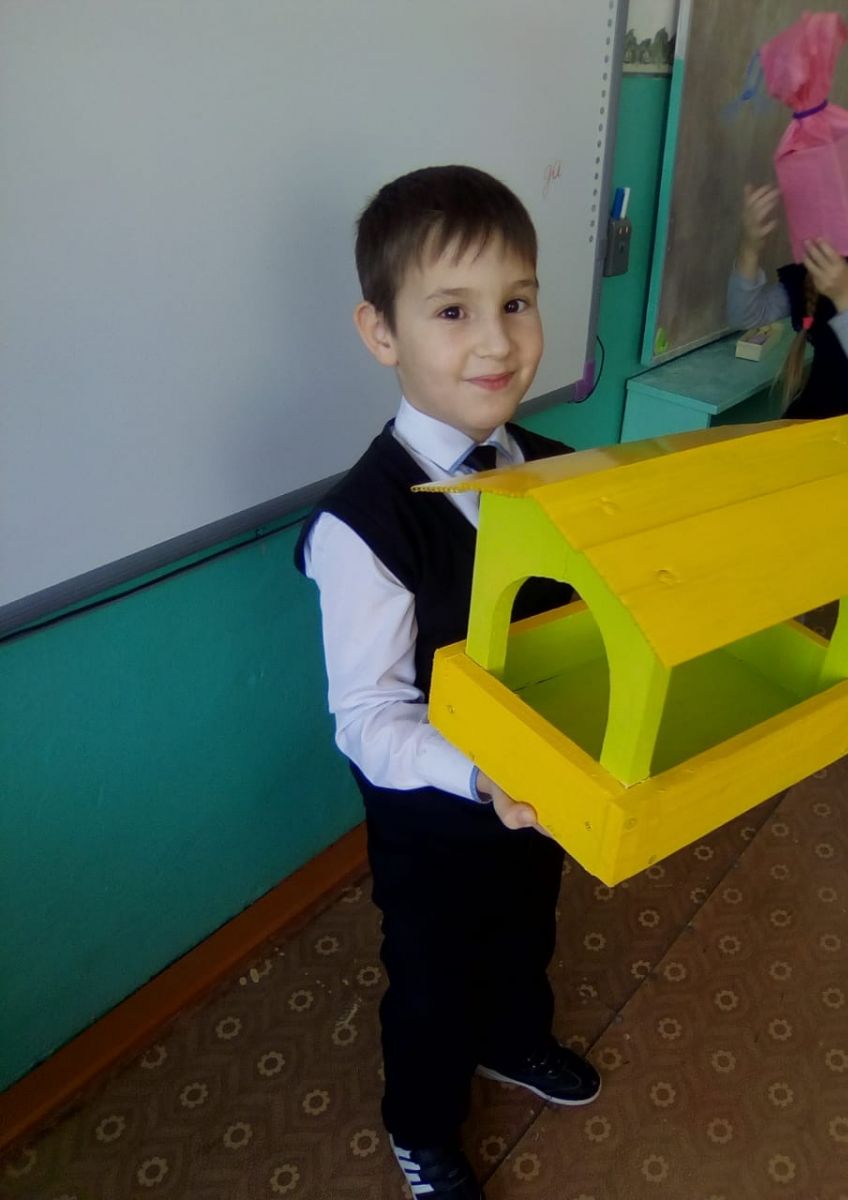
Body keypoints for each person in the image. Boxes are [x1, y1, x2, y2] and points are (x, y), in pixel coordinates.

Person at [295, 166, 601, 1199]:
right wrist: (479, 774)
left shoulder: (553, 464)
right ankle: (421, 1128)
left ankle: (512, 1040)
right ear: (381, 332)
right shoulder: (361, 527)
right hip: (434, 815)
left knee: (527, 928)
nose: (498, 342)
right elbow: (368, 716)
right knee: (430, 982)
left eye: (518, 302)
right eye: (454, 311)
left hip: (541, 787)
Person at [725, 112, 848, 451]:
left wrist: (846, 296)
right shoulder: (831, 259)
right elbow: (745, 315)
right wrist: (749, 247)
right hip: (814, 441)